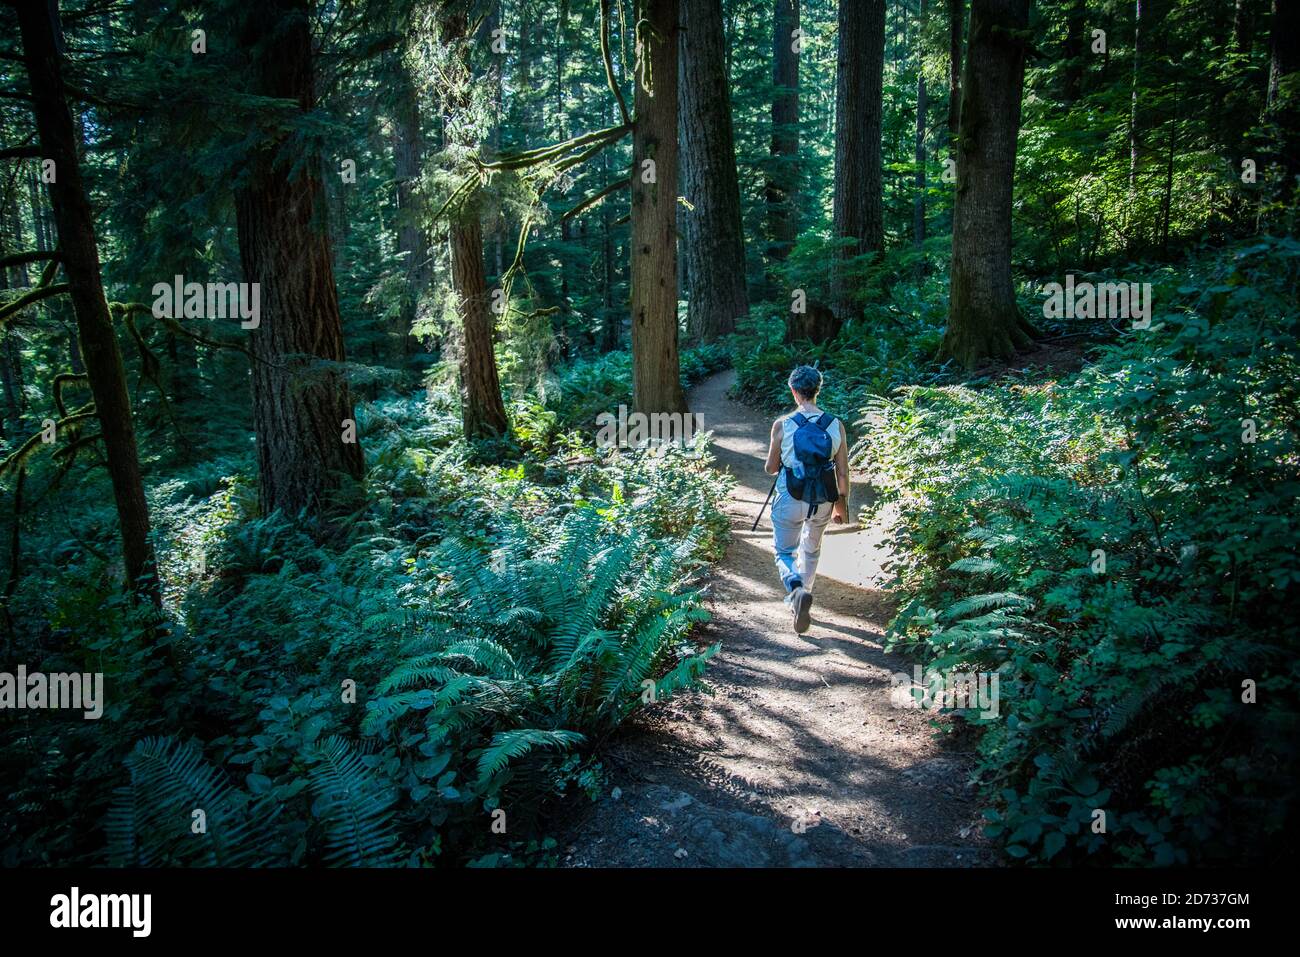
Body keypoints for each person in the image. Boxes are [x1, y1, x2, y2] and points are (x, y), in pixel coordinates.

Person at [763, 365, 849, 633]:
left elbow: (770, 467)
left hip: (790, 494)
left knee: (784, 551)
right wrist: (841, 504)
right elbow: (843, 471)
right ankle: (804, 595)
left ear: (794, 391)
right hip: (823, 496)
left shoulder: (783, 424)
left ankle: (795, 588)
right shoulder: (835, 425)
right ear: (817, 390)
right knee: (811, 548)